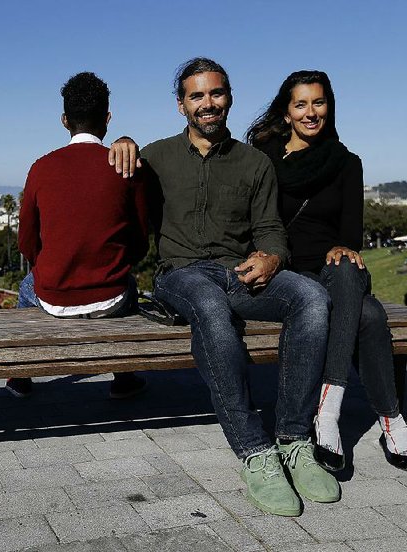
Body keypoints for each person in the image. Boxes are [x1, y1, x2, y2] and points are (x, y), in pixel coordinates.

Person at [109, 58, 339, 516]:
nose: (207, 103)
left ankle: (293, 440)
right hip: (180, 274)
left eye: (216, 93)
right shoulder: (156, 157)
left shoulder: (254, 162)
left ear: (229, 97)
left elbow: (271, 228)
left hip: (238, 273)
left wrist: (272, 257)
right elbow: (115, 200)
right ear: (181, 106)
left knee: (313, 297)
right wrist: (124, 142)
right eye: (197, 96)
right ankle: (255, 451)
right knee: (211, 309)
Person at [246, 70, 407, 474]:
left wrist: (344, 248)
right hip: (289, 272)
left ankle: (328, 411)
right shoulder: (264, 156)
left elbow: (351, 234)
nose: (311, 112)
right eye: (301, 104)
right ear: (286, 112)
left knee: (344, 264)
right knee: (371, 315)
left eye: (319, 103)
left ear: (330, 107)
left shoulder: (346, 162)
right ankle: (392, 420)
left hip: (334, 268)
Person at [13, 71, 149, 400]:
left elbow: (26, 242)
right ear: (107, 118)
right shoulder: (127, 168)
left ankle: (19, 375)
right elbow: (140, 240)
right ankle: (125, 378)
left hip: (54, 296)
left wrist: (47, 265)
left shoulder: (42, 167)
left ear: (64, 120)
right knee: (130, 284)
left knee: (24, 287)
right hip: (112, 298)